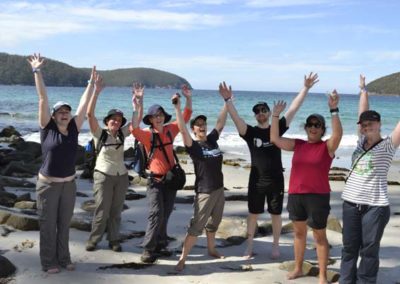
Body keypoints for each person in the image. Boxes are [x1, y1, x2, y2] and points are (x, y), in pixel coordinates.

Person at [218, 73, 319, 259]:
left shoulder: (277, 126)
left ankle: (275, 246)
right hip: (256, 180)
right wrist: (227, 100)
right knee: (253, 214)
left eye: (264, 110)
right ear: (255, 116)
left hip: (276, 180)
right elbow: (236, 117)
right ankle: (249, 246)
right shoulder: (250, 132)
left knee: (276, 214)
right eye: (258, 111)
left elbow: (294, 109)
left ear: (267, 112)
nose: (261, 113)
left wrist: (305, 88)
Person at [27, 53, 95, 273]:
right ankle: (49, 262)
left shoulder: (74, 128)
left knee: (64, 226)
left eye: (67, 111)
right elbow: (42, 99)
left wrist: (91, 84)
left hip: (69, 185)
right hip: (48, 186)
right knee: (47, 226)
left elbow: (84, 106)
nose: (65, 114)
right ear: (54, 116)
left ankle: (64, 258)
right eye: (60, 112)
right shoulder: (47, 129)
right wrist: (37, 71)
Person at [270, 91, 342, 284]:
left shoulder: (327, 147)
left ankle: (322, 276)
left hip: (317, 197)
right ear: (306, 128)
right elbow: (275, 139)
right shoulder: (299, 144)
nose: (313, 127)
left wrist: (334, 109)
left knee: (319, 236)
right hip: (296, 195)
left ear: (322, 129)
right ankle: (298, 269)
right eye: (310, 124)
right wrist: (275, 115)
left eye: (317, 125)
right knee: (299, 234)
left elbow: (338, 134)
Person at [339, 75, 400, 284]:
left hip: (375, 207)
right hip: (350, 204)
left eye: (370, 123)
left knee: (369, 251)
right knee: (348, 249)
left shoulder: (388, 145)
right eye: (363, 125)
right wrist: (363, 90)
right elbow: (362, 112)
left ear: (379, 124)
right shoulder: (359, 141)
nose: (366, 127)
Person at [130, 85, 192, 263]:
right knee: (155, 214)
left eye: (160, 115)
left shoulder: (171, 129)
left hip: (171, 181)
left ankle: (161, 242)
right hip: (155, 182)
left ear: (164, 117)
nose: (158, 118)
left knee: (166, 213)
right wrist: (137, 105)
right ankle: (148, 249)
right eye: (154, 116)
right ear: (149, 119)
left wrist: (186, 99)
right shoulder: (147, 136)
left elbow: (186, 115)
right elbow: (134, 128)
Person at [173, 91, 228, 272]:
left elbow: (220, 123)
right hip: (204, 192)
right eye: (198, 125)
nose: (202, 126)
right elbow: (181, 129)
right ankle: (183, 258)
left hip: (219, 189)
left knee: (215, 223)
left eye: (203, 124)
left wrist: (227, 101)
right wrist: (178, 108)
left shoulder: (212, 140)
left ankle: (211, 249)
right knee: (197, 226)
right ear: (194, 130)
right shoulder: (194, 147)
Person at [85, 80, 141, 252]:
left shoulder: (122, 134)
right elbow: (89, 114)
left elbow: (136, 122)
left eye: (118, 120)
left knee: (116, 211)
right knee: (102, 210)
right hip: (102, 175)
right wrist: (96, 92)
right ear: (107, 121)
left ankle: (114, 240)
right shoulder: (99, 133)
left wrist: (138, 102)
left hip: (121, 176)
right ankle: (94, 240)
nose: (116, 122)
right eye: (113, 120)